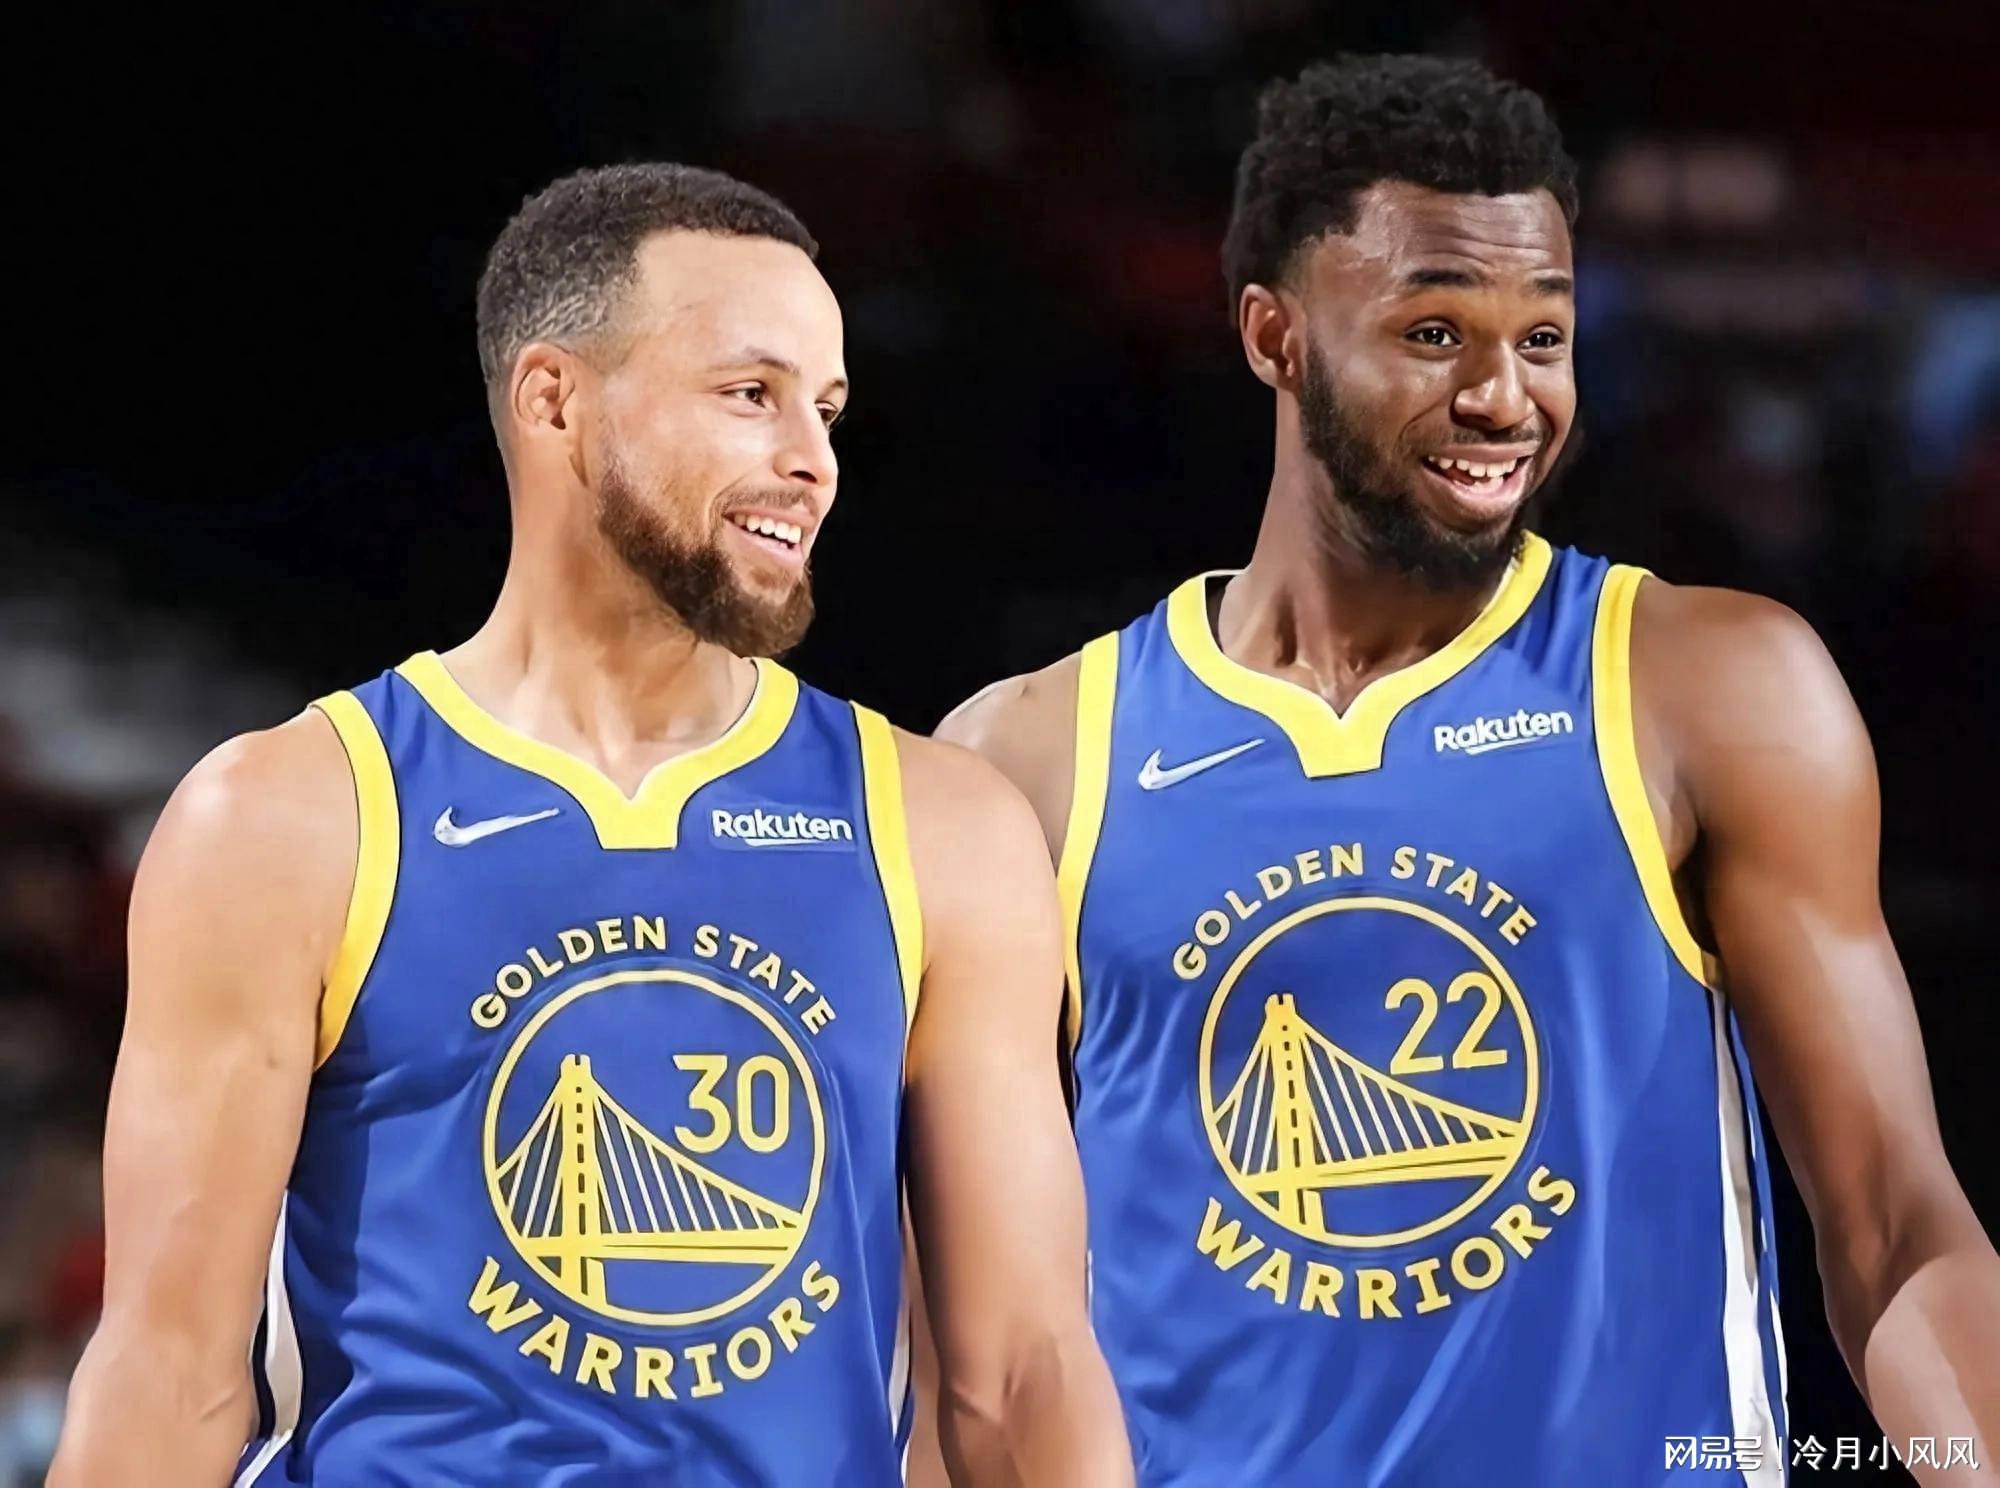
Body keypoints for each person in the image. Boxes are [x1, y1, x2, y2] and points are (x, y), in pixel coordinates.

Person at [941, 55, 2000, 1487]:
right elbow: (981, 1352)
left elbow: (1895, 1228)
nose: (1505, 397)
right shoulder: (1028, 758)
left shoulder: (1706, 686)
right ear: (1275, 336)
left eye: (1543, 337)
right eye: (1434, 333)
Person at [52, 164, 1129, 1487]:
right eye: (751, 394)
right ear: (554, 400)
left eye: (828, 407)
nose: (815, 459)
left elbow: (1021, 1375)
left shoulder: (942, 825)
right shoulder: (291, 813)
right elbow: (169, 1372)